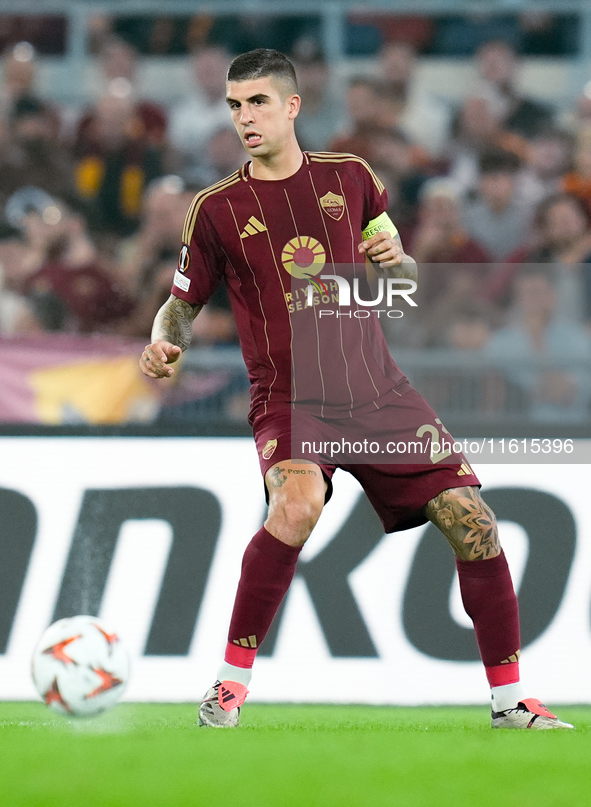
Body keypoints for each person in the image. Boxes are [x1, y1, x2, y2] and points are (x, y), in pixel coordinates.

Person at [139, 48, 572, 730]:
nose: (243, 118)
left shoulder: (353, 178)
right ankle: (227, 687)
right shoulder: (217, 209)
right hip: (290, 399)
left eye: (256, 103)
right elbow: (180, 306)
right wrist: (164, 341)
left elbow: (399, 278)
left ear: (291, 107)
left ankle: (509, 700)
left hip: (378, 392)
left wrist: (395, 260)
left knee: (473, 521)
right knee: (296, 506)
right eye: (233, 105)